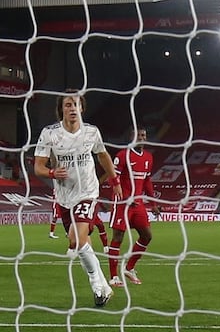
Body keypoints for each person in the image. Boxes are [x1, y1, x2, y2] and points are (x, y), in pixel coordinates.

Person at [34, 91, 121, 307]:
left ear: (82, 108)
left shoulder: (91, 132)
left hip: (88, 192)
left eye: (76, 104)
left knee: (76, 239)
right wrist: (53, 173)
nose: (72, 108)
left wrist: (114, 181)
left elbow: (103, 155)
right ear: (61, 109)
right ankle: (103, 289)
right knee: (82, 245)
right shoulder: (49, 134)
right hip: (64, 197)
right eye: (68, 105)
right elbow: (38, 167)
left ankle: (97, 285)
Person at [107, 127, 158, 287]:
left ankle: (129, 268)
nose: (142, 138)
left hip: (139, 205)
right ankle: (114, 277)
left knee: (147, 236)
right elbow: (112, 178)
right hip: (122, 203)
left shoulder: (148, 157)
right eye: (138, 135)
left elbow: (147, 181)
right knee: (118, 238)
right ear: (131, 137)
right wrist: (126, 198)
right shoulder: (122, 156)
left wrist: (153, 204)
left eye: (144, 135)